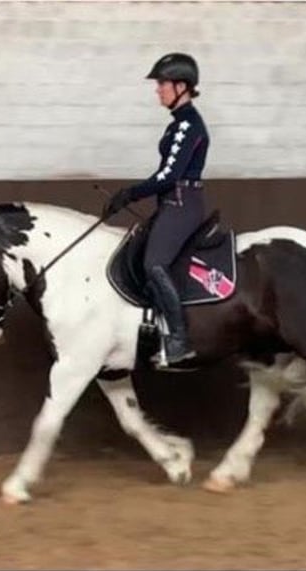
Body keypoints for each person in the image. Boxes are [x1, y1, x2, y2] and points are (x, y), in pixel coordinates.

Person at [103, 53, 210, 365]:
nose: (158, 90)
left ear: (181, 86)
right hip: (171, 204)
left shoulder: (189, 125)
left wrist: (131, 194)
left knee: (154, 264)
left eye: (162, 83)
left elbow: (169, 175)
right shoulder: (176, 125)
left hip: (182, 204)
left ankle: (179, 339)